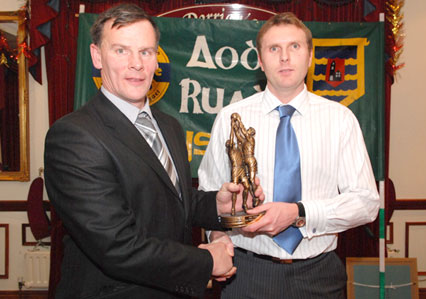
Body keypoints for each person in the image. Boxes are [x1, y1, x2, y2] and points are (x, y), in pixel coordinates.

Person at [44, 4, 263, 299]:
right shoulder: (73, 136)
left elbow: (166, 200)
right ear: (97, 56)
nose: (136, 64)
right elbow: (117, 247)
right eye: (121, 50)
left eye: (146, 52)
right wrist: (208, 261)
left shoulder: (168, 125)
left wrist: (219, 207)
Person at [198, 12, 380, 298]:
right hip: (246, 273)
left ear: (309, 57)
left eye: (294, 47)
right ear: (260, 60)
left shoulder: (340, 120)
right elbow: (208, 195)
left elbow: (366, 203)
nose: (284, 57)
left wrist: (299, 212)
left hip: (319, 274)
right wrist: (219, 237)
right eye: (274, 49)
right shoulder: (230, 118)